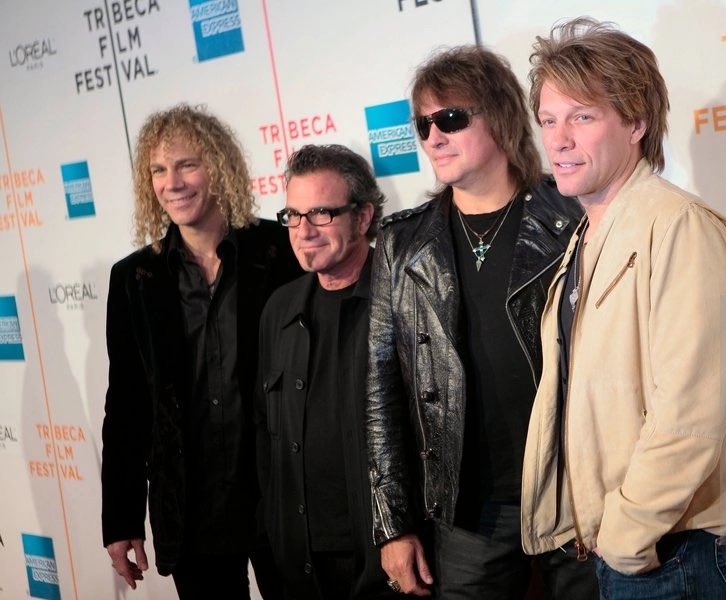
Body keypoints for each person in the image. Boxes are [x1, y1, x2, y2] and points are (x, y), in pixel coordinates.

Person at [520, 18, 726, 599]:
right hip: (636, 548)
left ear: (636, 122)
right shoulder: (581, 240)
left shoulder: (681, 226)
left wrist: (628, 534)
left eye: (581, 117)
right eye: (549, 119)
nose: (558, 140)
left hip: (683, 550)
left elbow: (691, 410)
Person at [366, 46, 595, 598]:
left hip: (577, 491)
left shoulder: (573, 218)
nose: (432, 137)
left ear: (500, 116)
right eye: (423, 124)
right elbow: (381, 391)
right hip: (470, 509)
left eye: (450, 118)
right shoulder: (401, 242)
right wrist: (393, 523)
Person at [101, 104, 299, 599]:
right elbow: (126, 406)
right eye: (158, 170)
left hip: (282, 494)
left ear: (220, 166)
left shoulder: (282, 250)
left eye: (187, 164)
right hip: (191, 506)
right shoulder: (134, 280)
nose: (173, 182)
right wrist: (120, 519)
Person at [255, 144, 391, 599]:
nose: (304, 231)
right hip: (301, 564)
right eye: (293, 215)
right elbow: (266, 433)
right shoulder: (280, 308)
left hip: (386, 557)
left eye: (321, 214)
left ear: (364, 216)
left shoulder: (402, 299)